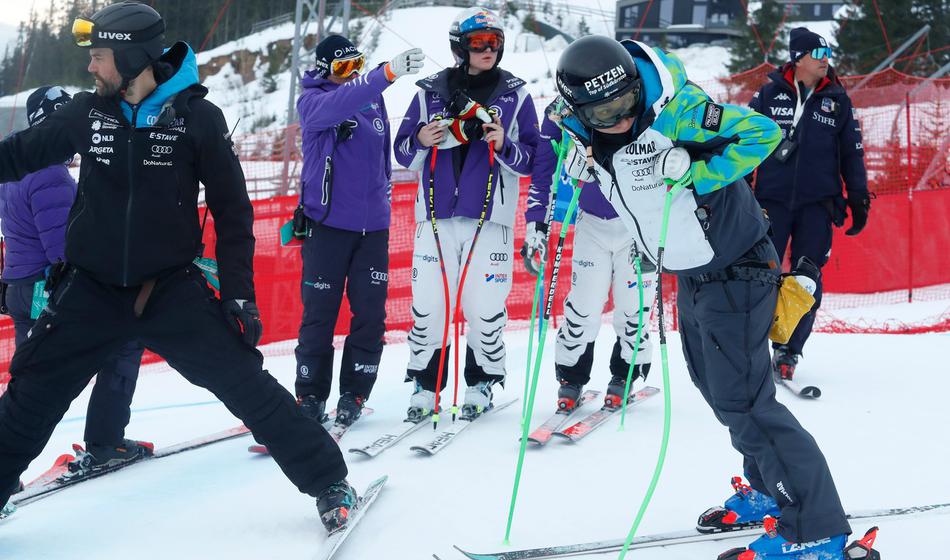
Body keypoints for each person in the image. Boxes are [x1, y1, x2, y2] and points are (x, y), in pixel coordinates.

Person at [0, 2, 354, 532]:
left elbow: (235, 210)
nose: (91, 68)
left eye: (98, 57)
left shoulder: (196, 118)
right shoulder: (86, 113)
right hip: (90, 291)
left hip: (168, 291)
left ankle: (328, 480)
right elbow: (17, 154)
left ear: (129, 56)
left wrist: (238, 293)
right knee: (29, 397)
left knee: (246, 385)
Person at [552, 35, 877, 559]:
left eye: (624, 102)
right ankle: (776, 492)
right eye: (602, 110)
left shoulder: (678, 112)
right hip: (693, 274)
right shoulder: (580, 131)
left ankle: (815, 529)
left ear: (636, 87)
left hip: (737, 270)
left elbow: (762, 131)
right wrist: (578, 164)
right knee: (723, 396)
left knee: (748, 405)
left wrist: (698, 173)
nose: (617, 116)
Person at [394, 6, 538, 420]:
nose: (488, 50)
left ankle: (481, 382)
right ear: (461, 47)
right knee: (429, 306)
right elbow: (403, 152)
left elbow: (531, 159)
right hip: (435, 220)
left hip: (489, 220)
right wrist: (423, 136)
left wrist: (502, 144)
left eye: (494, 42)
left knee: (484, 306)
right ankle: (425, 386)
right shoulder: (429, 91)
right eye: (479, 43)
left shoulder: (516, 94)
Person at [0, 85, 149, 471]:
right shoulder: (49, 175)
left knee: (28, 381)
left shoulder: (18, 171)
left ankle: (8, 466)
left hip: (21, 287)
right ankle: (106, 440)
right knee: (123, 345)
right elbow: (64, 249)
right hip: (48, 290)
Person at [293, 35, 424, 428]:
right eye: (341, 69)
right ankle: (310, 395)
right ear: (323, 71)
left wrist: (382, 194)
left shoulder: (371, 99)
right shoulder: (314, 102)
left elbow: (383, 152)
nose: (349, 77)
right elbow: (339, 103)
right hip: (329, 226)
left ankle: (355, 391)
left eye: (356, 67)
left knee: (369, 315)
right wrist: (384, 73)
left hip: (373, 230)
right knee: (319, 315)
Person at [749, 27, 871, 381]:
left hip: (818, 204)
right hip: (771, 202)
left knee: (807, 280)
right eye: (819, 54)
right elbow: (745, 143)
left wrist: (859, 196)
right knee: (759, 275)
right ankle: (753, 346)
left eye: (828, 54)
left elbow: (852, 152)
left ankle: (788, 350)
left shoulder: (837, 99)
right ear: (798, 59)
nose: (825, 61)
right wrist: (739, 189)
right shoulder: (769, 95)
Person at [522, 110, 655, 411]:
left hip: (636, 222)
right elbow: (544, 168)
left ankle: (625, 375)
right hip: (592, 221)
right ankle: (571, 378)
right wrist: (535, 225)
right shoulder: (561, 111)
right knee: (582, 307)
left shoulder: (636, 96)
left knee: (635, 308)